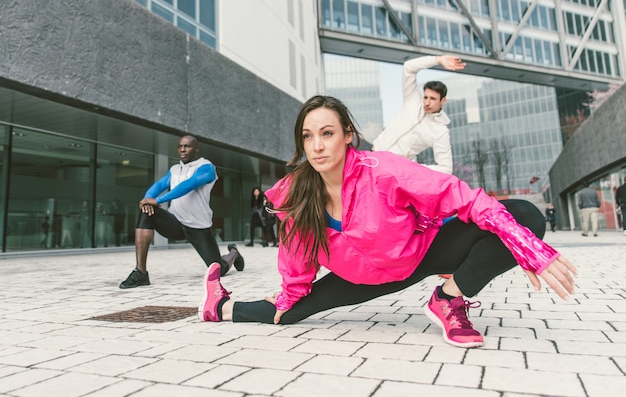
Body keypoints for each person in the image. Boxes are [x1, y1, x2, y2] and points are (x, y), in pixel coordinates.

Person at [197, 95, 577, 349]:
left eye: (327, 133)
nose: (317, 146)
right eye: (308, 136)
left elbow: (464, 197)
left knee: (522, 218)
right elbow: (297, 264)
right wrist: (289, 296)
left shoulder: (383, 171)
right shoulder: (296, 197)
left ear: (348, 135)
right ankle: (220, 305)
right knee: (286, 314)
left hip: (419, 254)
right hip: (359, 278)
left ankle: (448, 299)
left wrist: (527, 246)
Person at [119, 135, 244, 289]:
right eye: (180, 146)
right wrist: (147, 199)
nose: (182, 149)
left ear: (196, 149)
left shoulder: (206, 167)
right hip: (175, 223)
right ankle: (140, 272)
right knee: (147, 212)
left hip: (198, 227)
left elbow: (190, 184)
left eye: (187, 146)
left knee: (218, 270)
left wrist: (158, 201)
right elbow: (158, 186)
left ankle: (233, 253)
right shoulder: (175, 169)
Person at [371, 55, 465, 174]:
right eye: (425, 97)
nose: (427, 102)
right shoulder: (413, 101)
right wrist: (438, 60)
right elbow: (408, 68)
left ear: (443, 101)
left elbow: (446, 168)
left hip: (389, 172)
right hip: (371, 155)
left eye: (432, 99)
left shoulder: (440, 131)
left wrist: (412, 167)